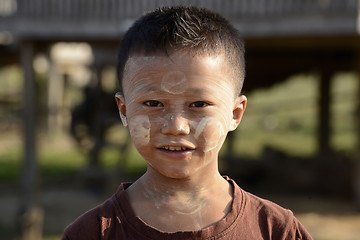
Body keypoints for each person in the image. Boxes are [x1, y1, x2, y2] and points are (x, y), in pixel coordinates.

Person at [62, 6, 313, 239]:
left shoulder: (275, 230)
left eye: (199, 104)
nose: (176, 126)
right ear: (124, 111)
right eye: (152, 104)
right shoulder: (92, 233)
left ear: (235, 114)